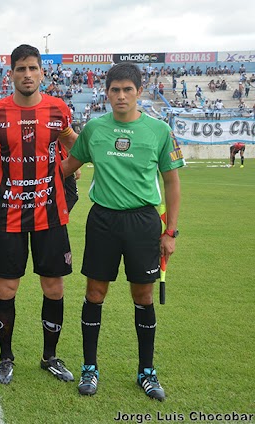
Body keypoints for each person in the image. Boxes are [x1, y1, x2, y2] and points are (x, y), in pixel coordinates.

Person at [62, 62, 184, 401]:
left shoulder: (159, 131)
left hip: (143, 222)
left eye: (127, 89)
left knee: (142, 296)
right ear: (106, 93)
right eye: (114, 90)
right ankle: (89, 367)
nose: (120, 96)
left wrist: (170, 232)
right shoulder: (94, 129)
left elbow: (172, 182)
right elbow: (67, 167)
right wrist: (28, 171)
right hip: (103, 220)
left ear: (139, 92)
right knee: (95, 292)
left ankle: (146, 371)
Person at [0, 44, 77, 385]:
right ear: (12, 73)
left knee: (54, 286)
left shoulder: (58, 108)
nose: (27, 74)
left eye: (33, 68)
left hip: (50, 213)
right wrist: (3, 171)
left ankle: (50, 357)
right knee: (6, 288)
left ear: (41, 72)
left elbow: (73, 143)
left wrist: (68, 167)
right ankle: (6, 358)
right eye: (20, 69)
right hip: (9, 214)